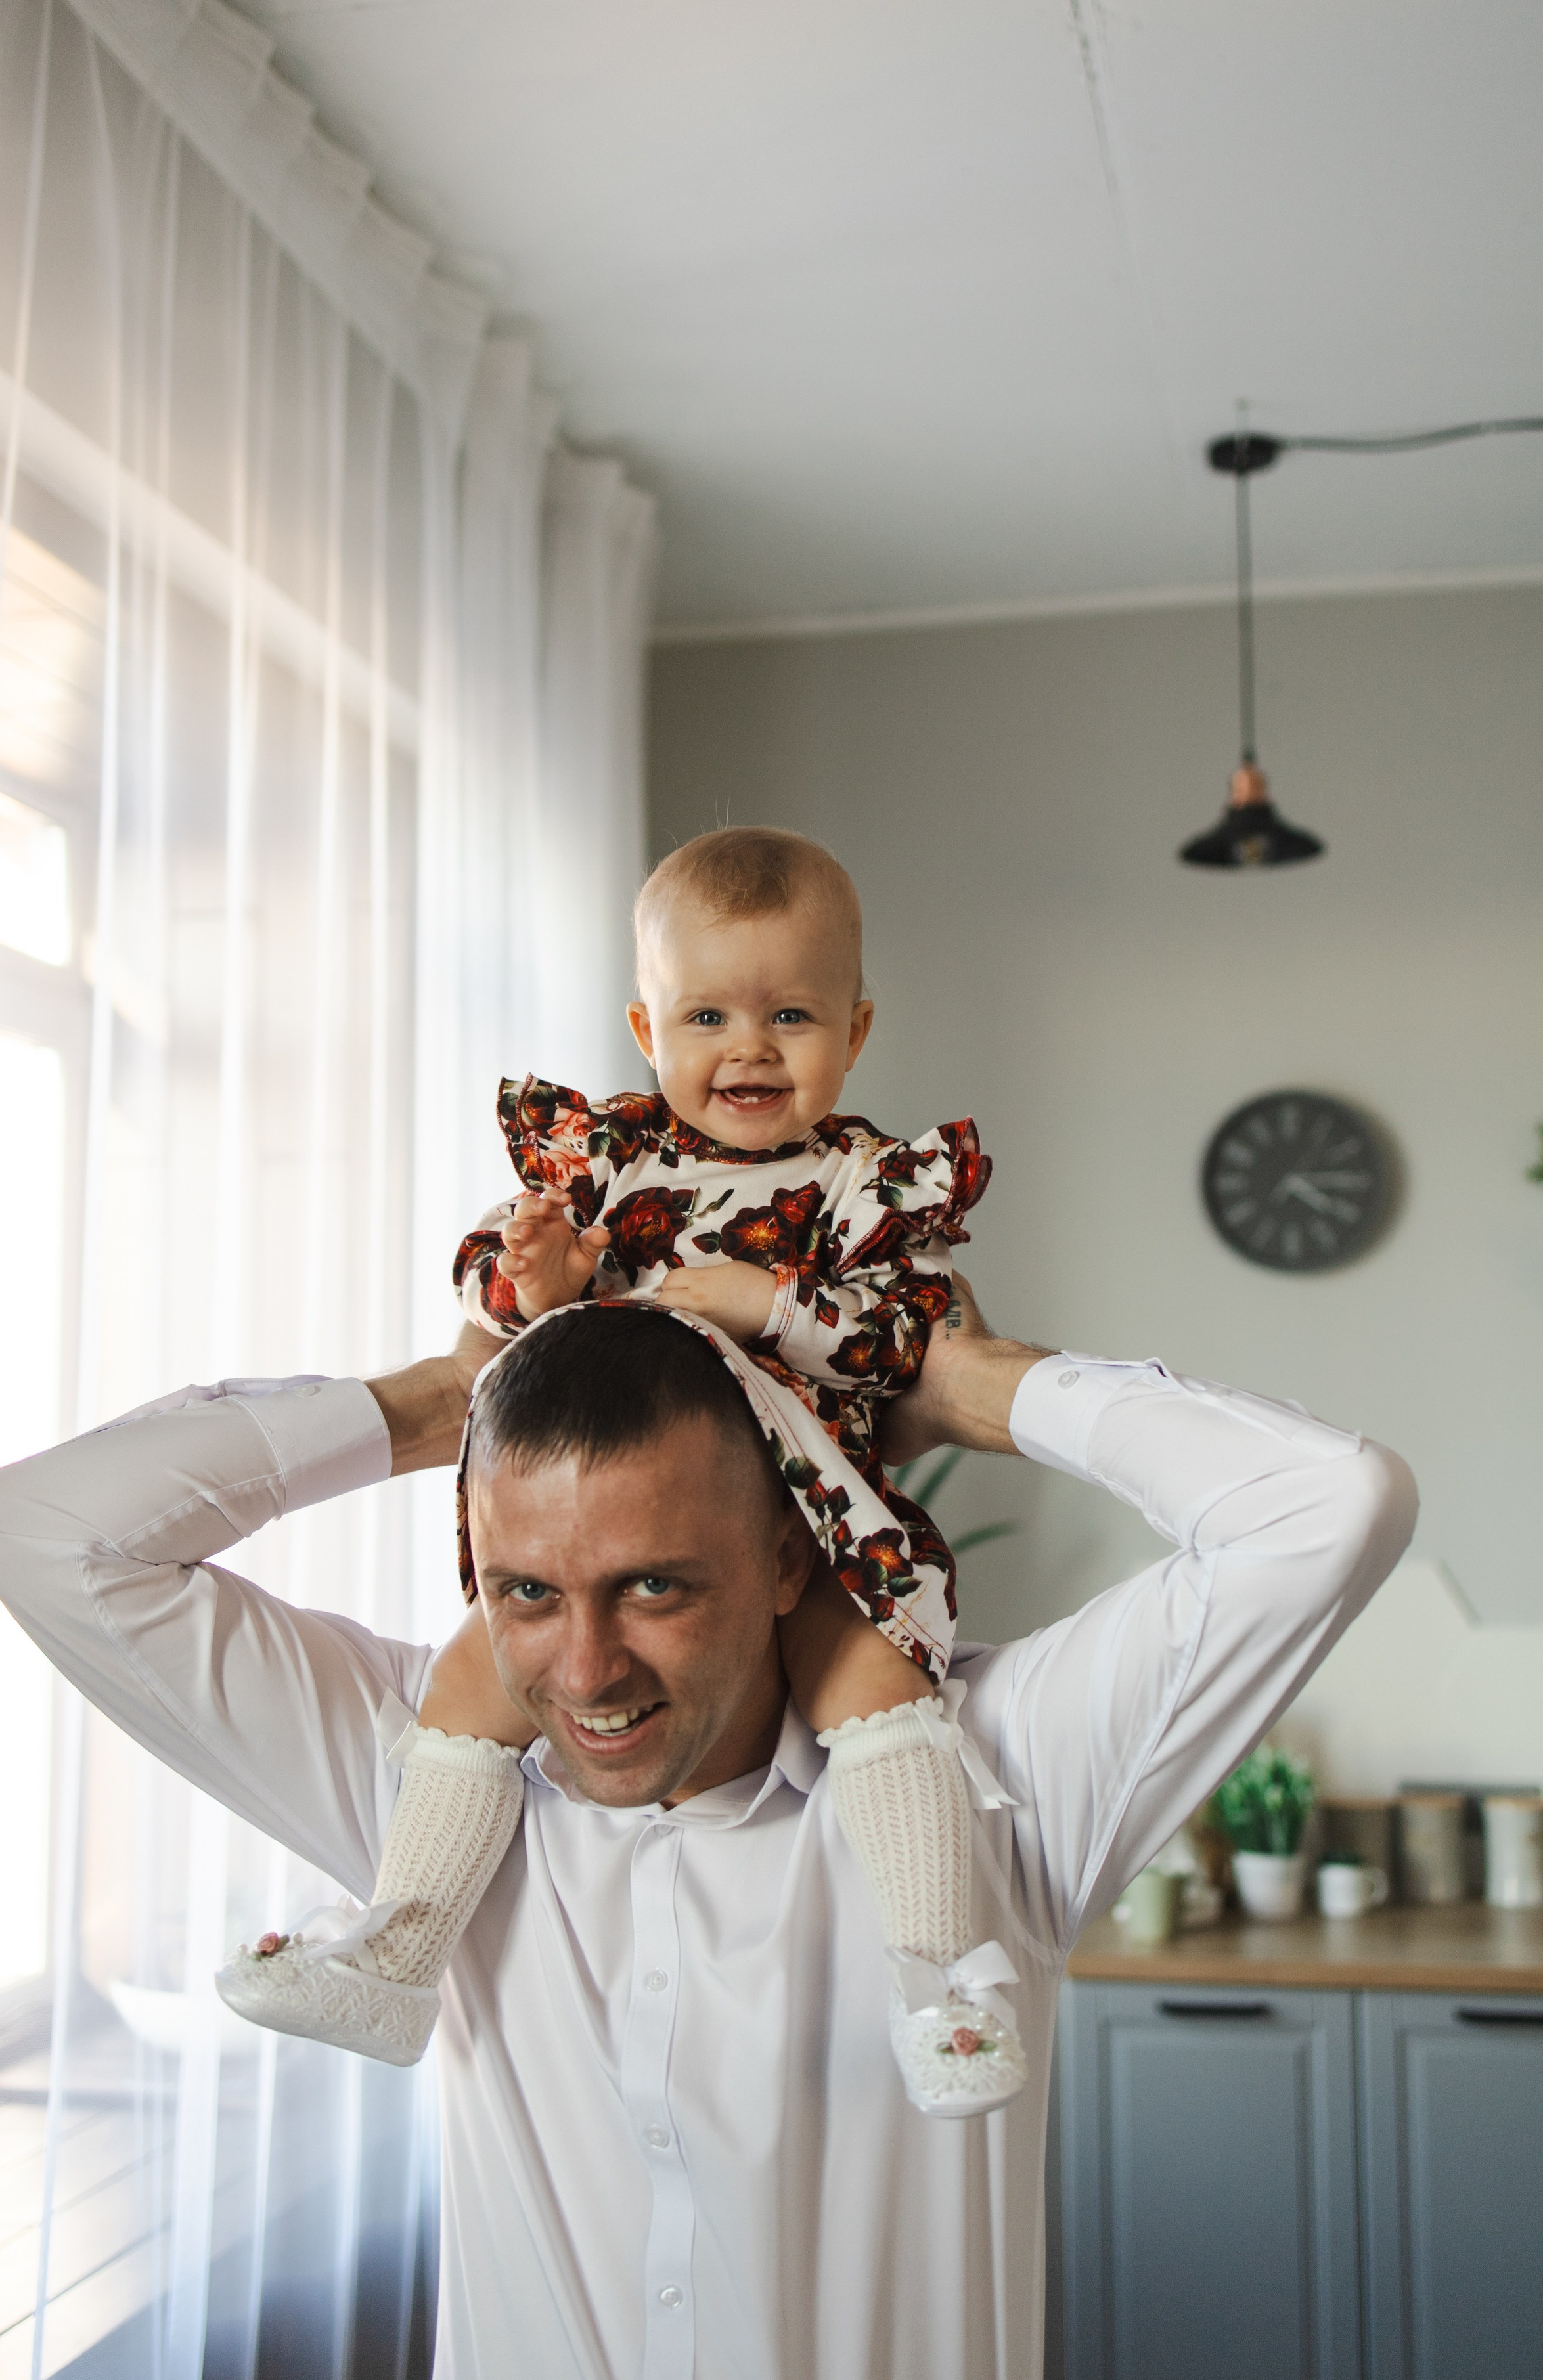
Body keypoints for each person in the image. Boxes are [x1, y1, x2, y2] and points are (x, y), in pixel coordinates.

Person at [0, 1279, 1415, 2380]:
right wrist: (439, 1403)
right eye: (524, 1592)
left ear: (792, 1557)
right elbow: (41, 1531)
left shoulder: (994, 1777)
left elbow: (1325, 1507)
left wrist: (953, 1376)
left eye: (653, 1587)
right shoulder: (414, 1776)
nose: (585, 1672)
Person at [221, 824, 1028, 2117]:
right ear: (645, 1027)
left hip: (800, 1515)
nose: (749, 1047)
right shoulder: (608, 1166)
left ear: (855, 1032)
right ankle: (400, 1945)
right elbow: (497, 1285)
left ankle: (937, 1979)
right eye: (705, 1012)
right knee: (477, 1667)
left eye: (791, 1013)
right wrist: (538, 1278)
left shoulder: (861, 1188)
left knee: (875, 1682)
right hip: (620, 1502)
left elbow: (908, 1342)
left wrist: (770, 1303)